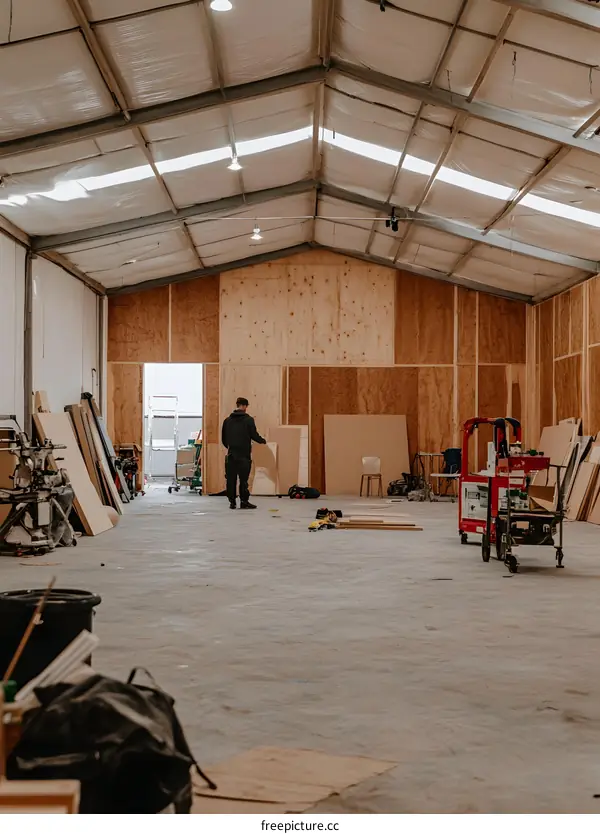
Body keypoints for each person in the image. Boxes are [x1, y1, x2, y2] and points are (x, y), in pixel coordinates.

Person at [221, 397, 267, 510]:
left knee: (231, 480)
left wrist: (231, 447)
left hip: (231, 455)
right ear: (245, 406)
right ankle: (244, 501)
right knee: (243, 480)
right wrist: (263, 441)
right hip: (244, 455)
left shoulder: (227, 421)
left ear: (237, 405)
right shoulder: (248, 420)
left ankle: (232, 502)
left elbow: (224, 439)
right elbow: (254, 435)